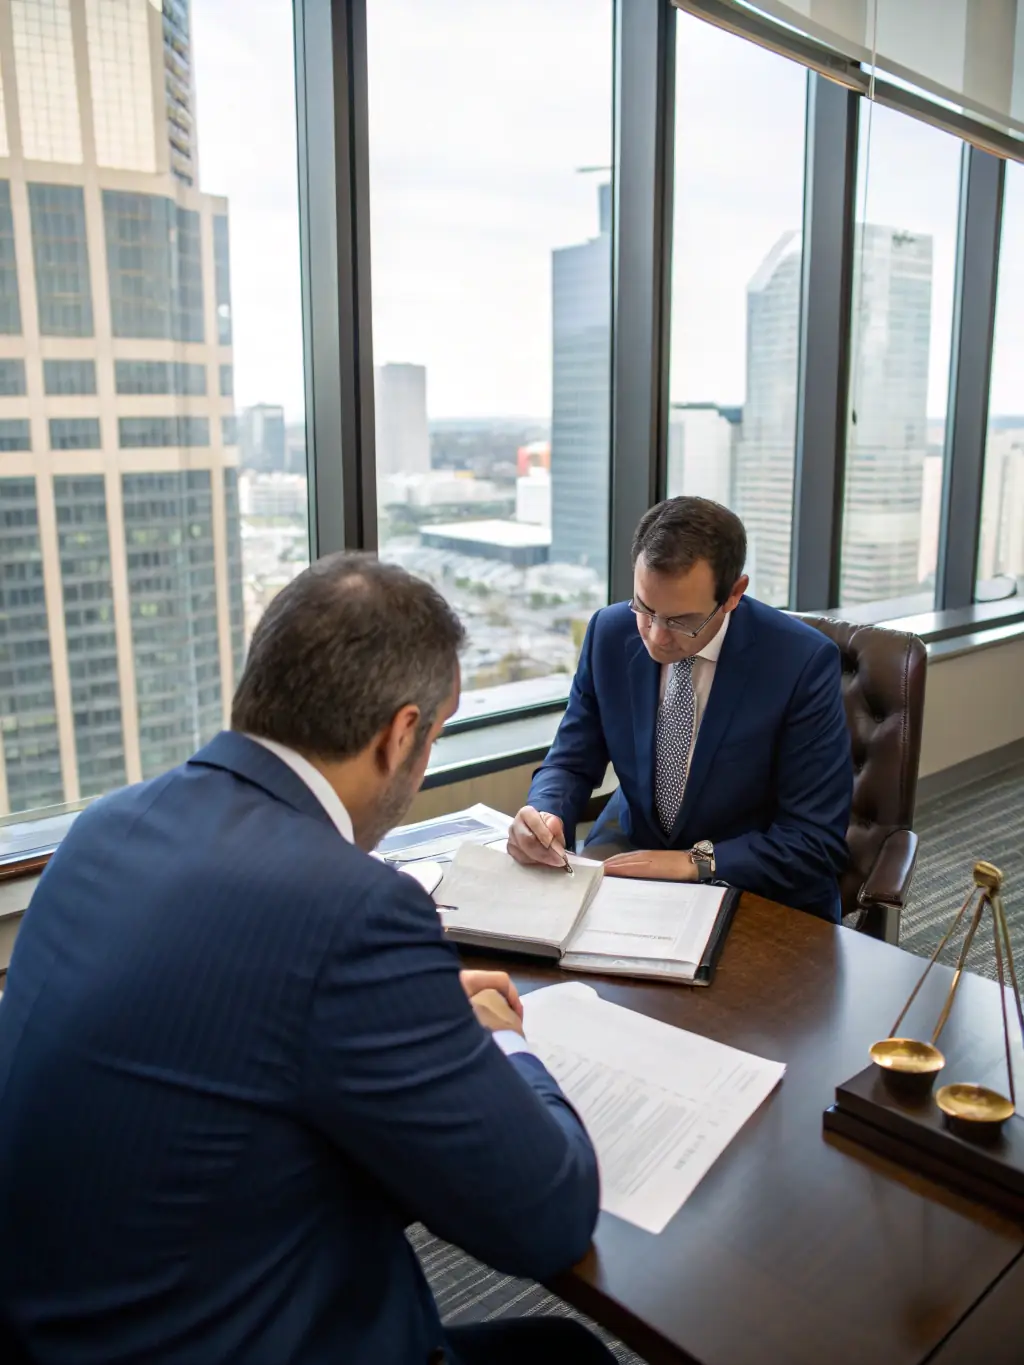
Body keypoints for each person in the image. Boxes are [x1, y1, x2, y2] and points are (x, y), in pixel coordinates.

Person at [0, 554, 614, 1365]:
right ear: (400, 735)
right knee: (568, 1355)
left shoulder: (106, 826)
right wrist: (501, 1035)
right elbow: (550, 1215)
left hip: (69, 1320)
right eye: (432, 736)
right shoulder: (353, 908)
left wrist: (413, 1006)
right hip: (226, 1334)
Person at [509, 497, 853, 921]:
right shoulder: (609, 633)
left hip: (755, 888)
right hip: (636, 864)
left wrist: (695, 863)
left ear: (733, 594)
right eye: (644, 608)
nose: (655, 636)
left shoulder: (801, 662)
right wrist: (545, 813)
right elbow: (571, 761)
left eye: (681, 620)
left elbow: (813, 841)